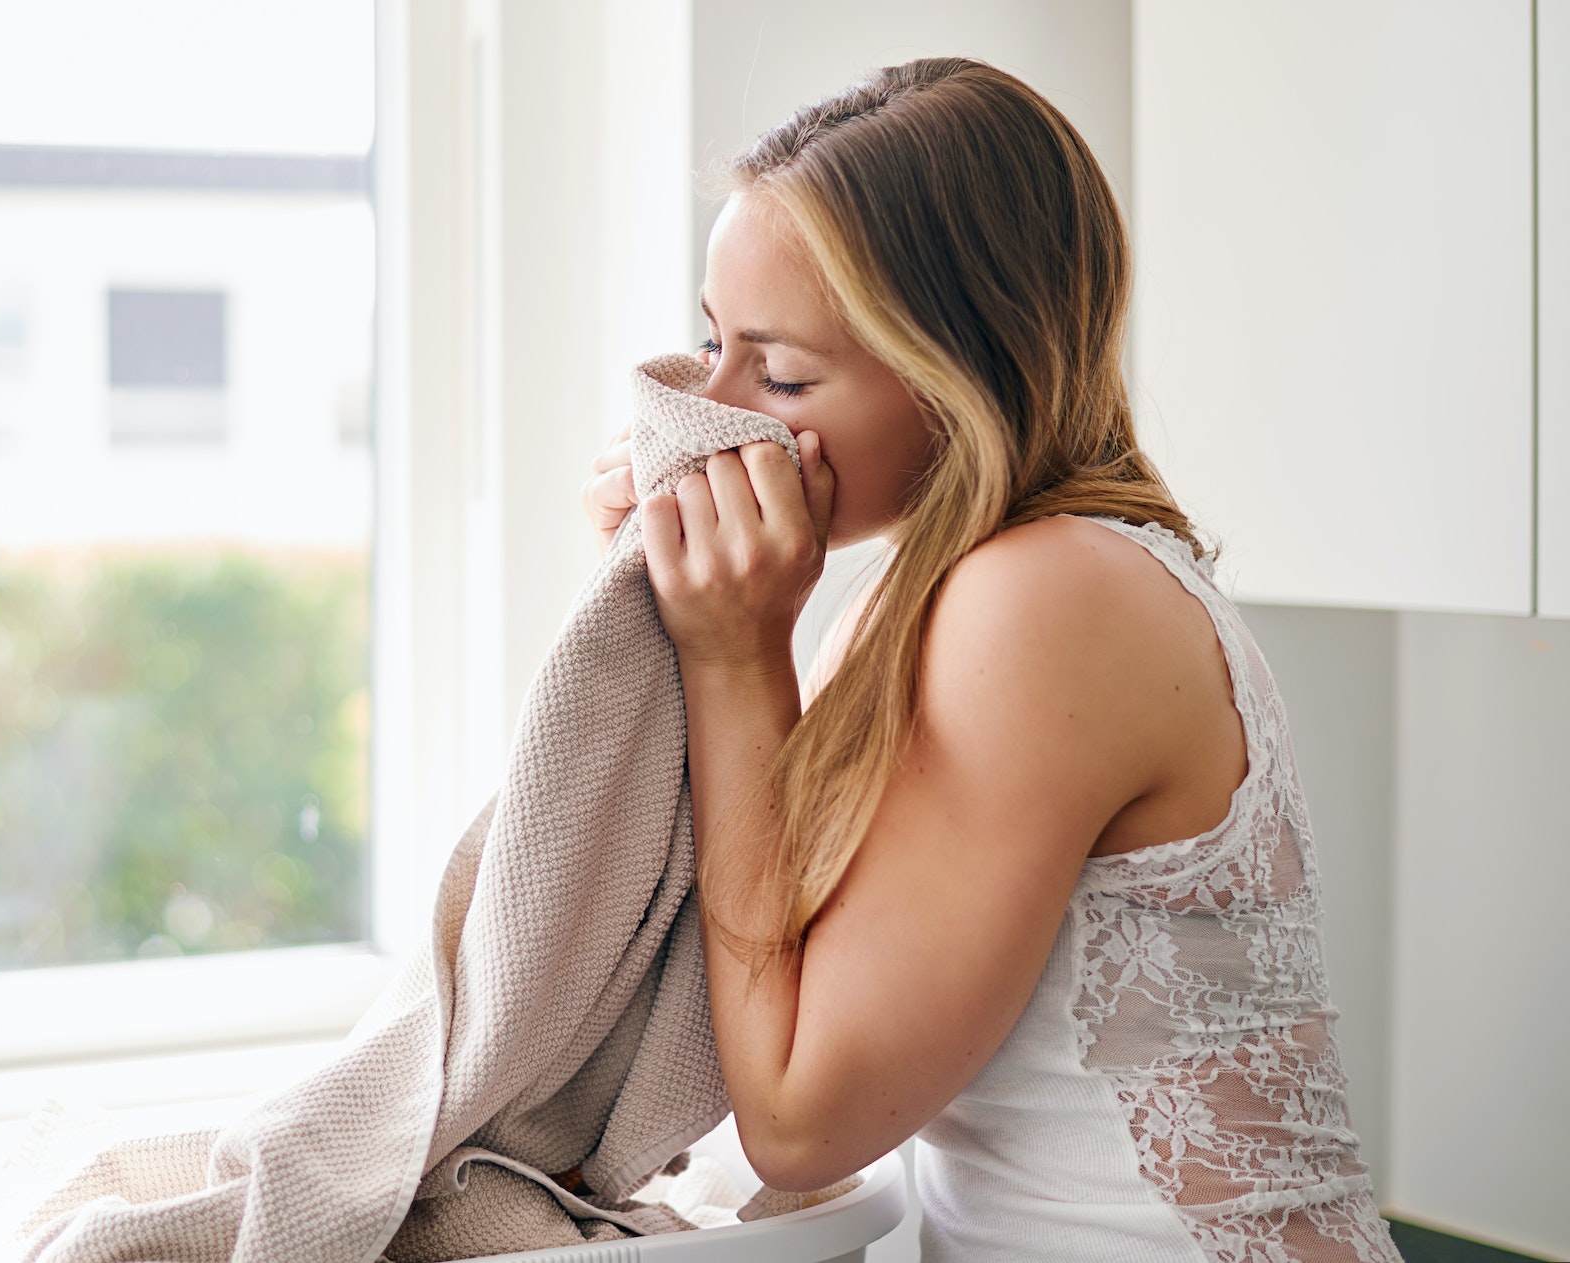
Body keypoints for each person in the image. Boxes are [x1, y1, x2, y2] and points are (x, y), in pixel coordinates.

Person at [580, 58, 1401, 1263]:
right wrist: (668, 618)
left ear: (958, 373)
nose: (718, 410)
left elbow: (800, 1119)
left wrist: (733, 654)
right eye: (711, 346)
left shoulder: (1047, 599)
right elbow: (775, 955)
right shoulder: (929, 598)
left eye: (782, 372)